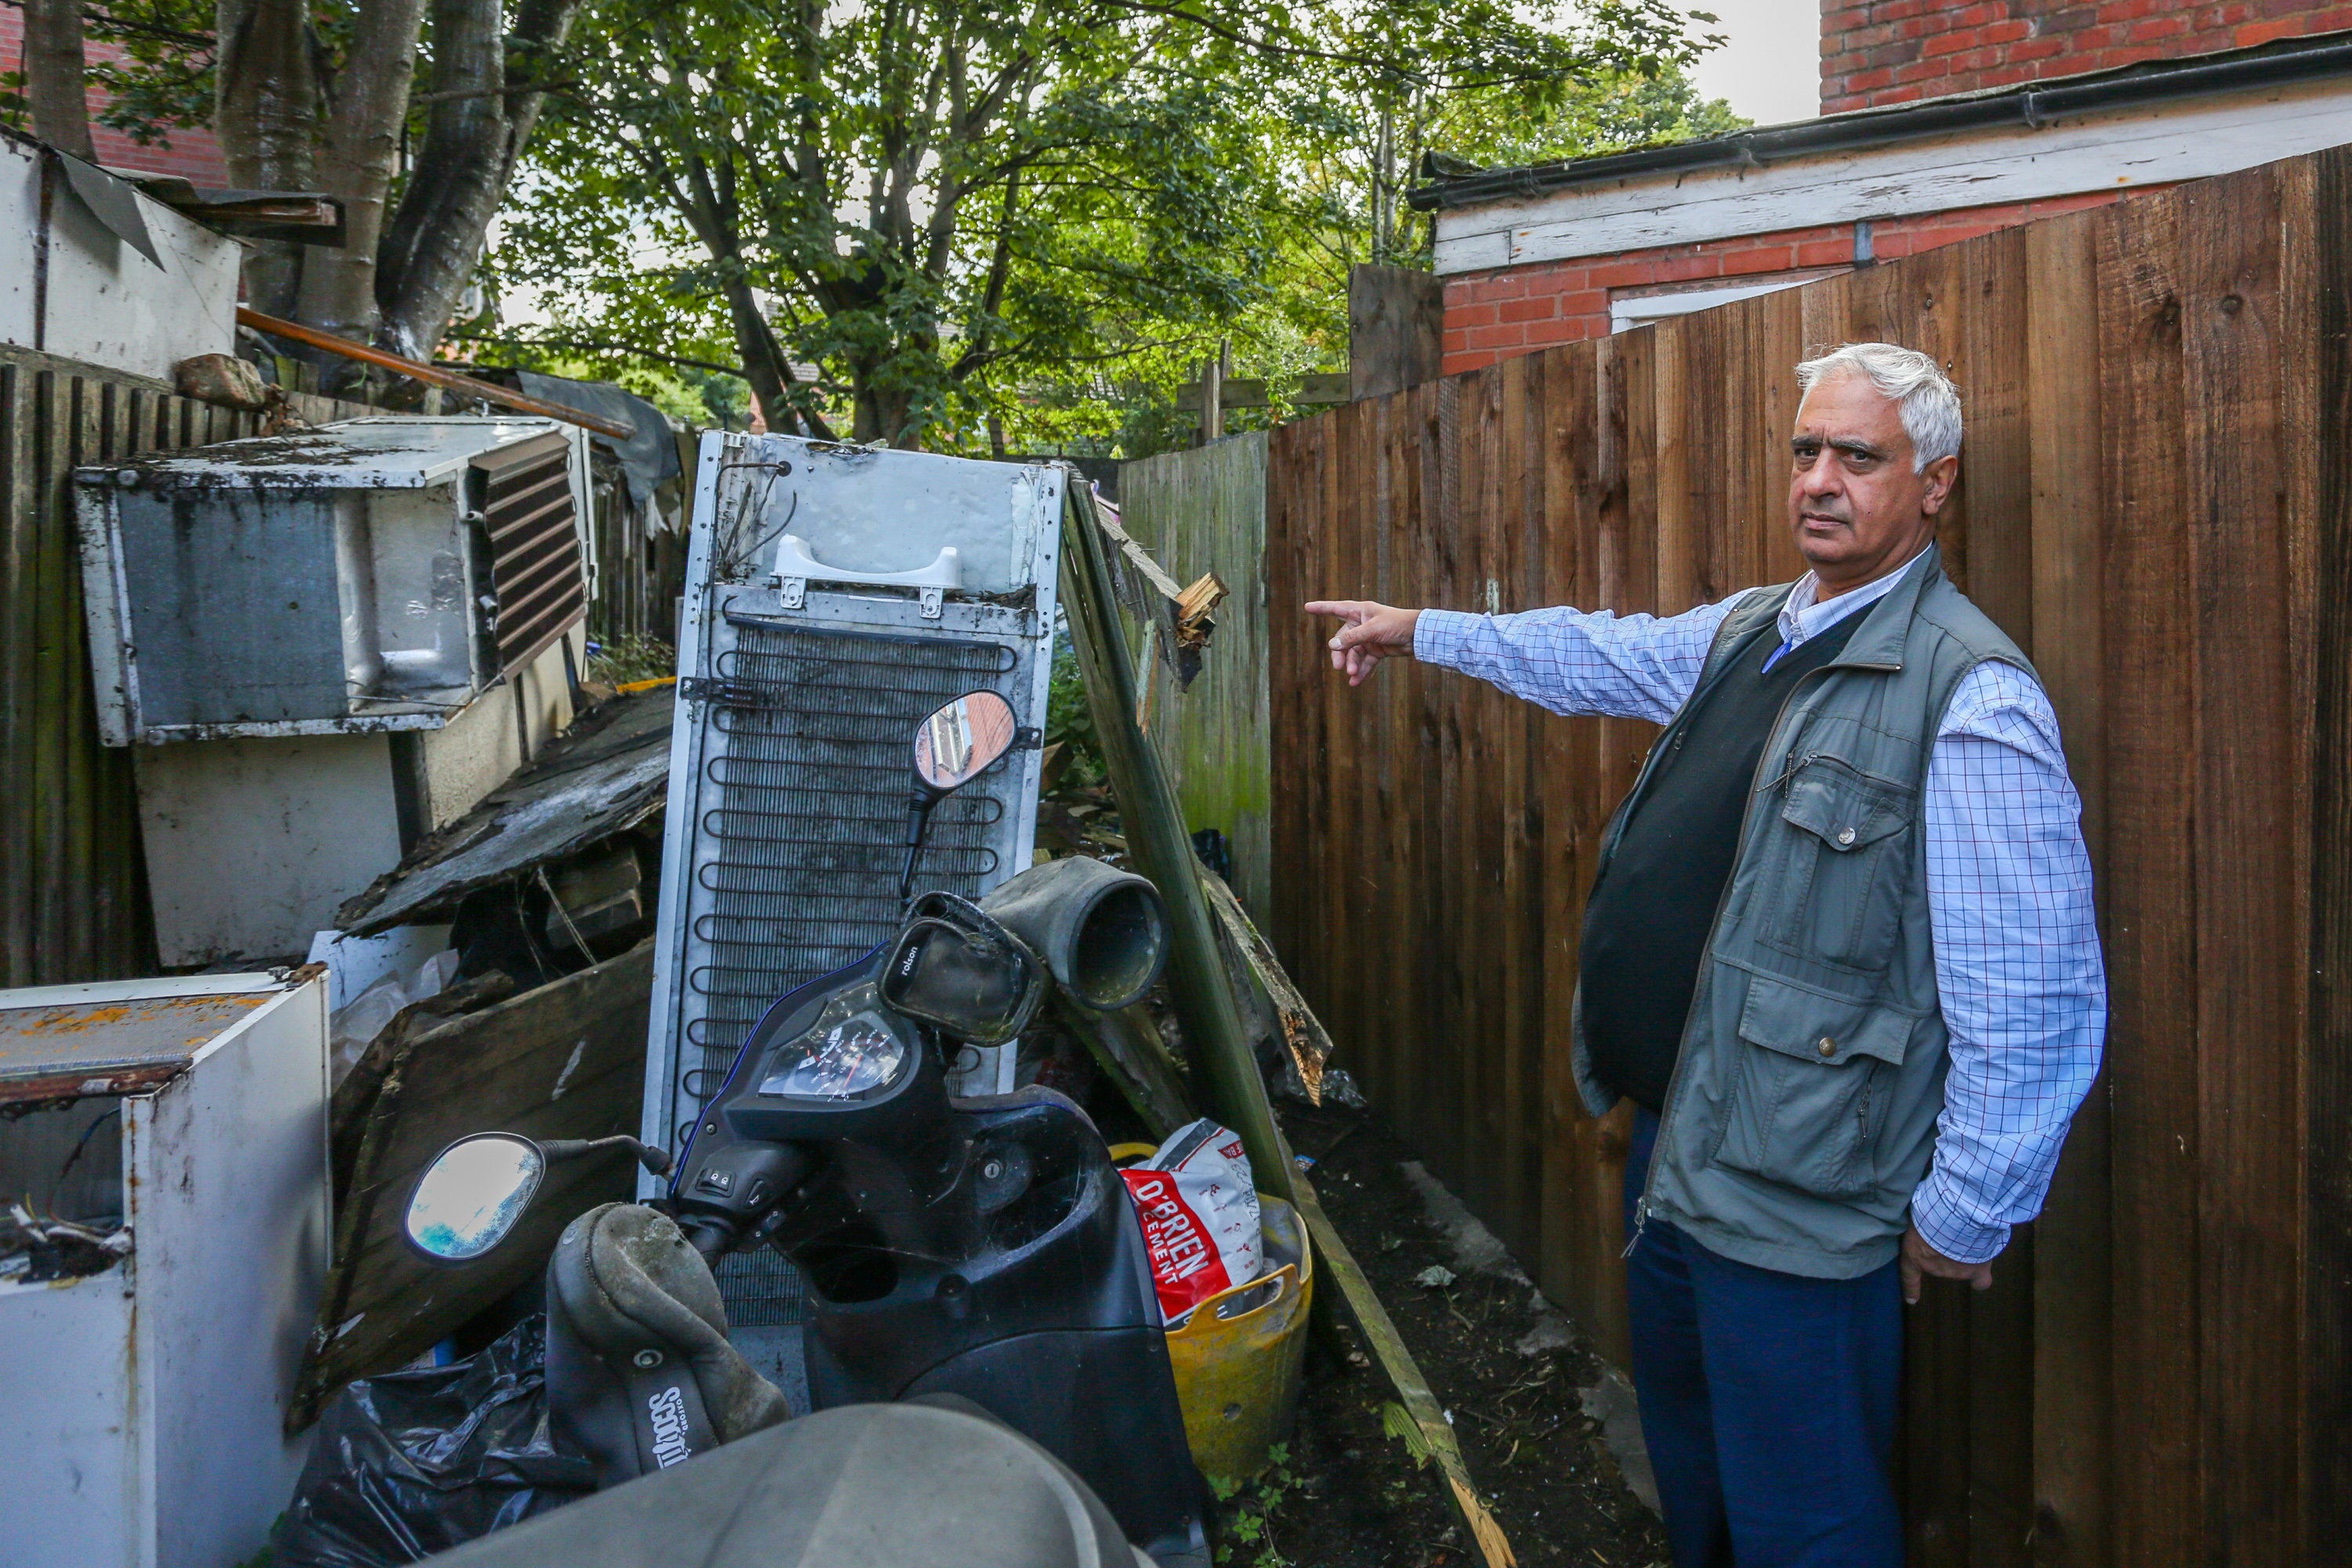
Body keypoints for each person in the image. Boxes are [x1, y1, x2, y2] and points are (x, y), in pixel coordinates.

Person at [1305, 342, 2105, 1568]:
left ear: (1934, 484)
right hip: (1679, 1149)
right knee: (1695, 1467)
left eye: (1859, 455)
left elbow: (2035, 995)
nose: (1819, 480)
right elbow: (1596, 654)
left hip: (1800, 1196)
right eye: (1805, 451)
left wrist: (1968, 1212)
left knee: (1809, 1512)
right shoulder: (1754, 631)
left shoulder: (1974, 697)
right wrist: (1423, 630)